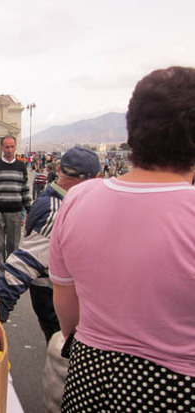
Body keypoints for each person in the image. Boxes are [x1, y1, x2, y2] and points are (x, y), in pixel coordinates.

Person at [50, 67, 195, 412]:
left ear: (132, 131)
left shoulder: (79, 199)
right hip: (174, 387)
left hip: (90, 377)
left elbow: (67, 307)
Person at [0, 147, 101, 343]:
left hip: (49, 291)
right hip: (53, 294)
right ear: (91, 179)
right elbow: (26, 261)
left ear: (59, 170)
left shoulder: (50, 198)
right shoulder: (57, 211)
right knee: (63, 351)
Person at [0, 136, 31, 274]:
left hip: (16, 212)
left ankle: (11, 271)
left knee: (13, 245)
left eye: (12, 147)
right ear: (2, 148)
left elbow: (25, 189)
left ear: (15, 147)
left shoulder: (21, 166)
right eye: (7, 147)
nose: (9, 150)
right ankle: (1, 273)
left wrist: (28, 209)